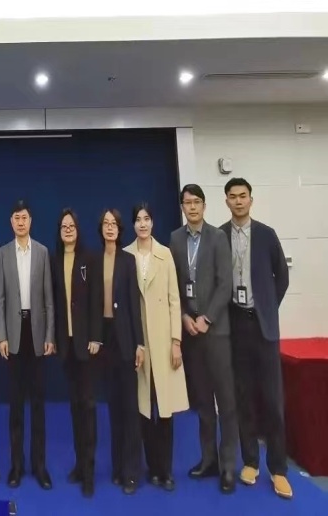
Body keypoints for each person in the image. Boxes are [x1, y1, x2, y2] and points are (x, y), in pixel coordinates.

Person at [220, 177, 292, 499]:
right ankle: (250, 461)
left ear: (251, 199)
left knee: (273, 401)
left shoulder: (266, 234)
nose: (238, 201)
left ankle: (278, 469)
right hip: (235, 325)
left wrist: (267, 307)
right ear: (226, 201)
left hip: (264, 326)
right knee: (244, 397)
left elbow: (282, 277)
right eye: (232, 196)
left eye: (243, 196)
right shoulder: (219, 236)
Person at [169, 184, 237, 494]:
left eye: (197, 202)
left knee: (226, 401)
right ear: (182, 207)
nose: (193, 207)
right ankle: (208, 459)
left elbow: (226, 284)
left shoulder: (218, 237)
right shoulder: (175, 239)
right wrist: (185, 317)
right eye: (188, 202)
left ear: (205, 206)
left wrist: (207, 318)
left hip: (215, 330)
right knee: (203, 402)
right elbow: (174, 285)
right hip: (191, 332)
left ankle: (228, 466)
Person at [124, 203, 188, 492]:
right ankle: (151, 467)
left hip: (163, 342)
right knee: (144, 408)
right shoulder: (126, 255)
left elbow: (175, 300)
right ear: (133, 224)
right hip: (139, 343)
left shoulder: (165, 254)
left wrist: (176, 341)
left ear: (153, 222)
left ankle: (166, 470)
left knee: (165, 408)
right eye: (138, 219)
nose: (142, 224)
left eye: (147, 219)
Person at [0, 200, 54, 490]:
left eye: (25, 218)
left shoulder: (42, 252)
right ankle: (16, 466)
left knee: (38, 405)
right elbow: (0, 299)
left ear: (31, 221)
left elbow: (49, 300)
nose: (21, 222)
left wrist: (50, 336)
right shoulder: (3, 253)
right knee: (16, 405)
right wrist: (2, 335)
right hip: (14, 335)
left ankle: (39, 466)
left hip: (38, 334)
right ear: (11, 222)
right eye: (16, 218)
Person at [51, 208, 102, 498]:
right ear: (59, 232)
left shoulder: (89, 259)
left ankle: (90, 472)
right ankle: (80, 465)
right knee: (74, 407)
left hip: (86, 345)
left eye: (72, 225)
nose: (68, 229)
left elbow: (96, 300)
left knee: (88, 406)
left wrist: (95, 337)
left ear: (78, 230)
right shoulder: (55, 260)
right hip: (66, 346)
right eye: (63, 226)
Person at [98, 208, 144, 495]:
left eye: (113, 223)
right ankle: (117, 468)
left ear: (120, 228)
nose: (109, 227)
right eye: (105, 223)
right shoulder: (94, 259)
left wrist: (140, 343)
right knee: (113, 406)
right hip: (105, 341)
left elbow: (134, 304)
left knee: (129, 408)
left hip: (126, 339)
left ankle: (132, 472)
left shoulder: (128, 260)